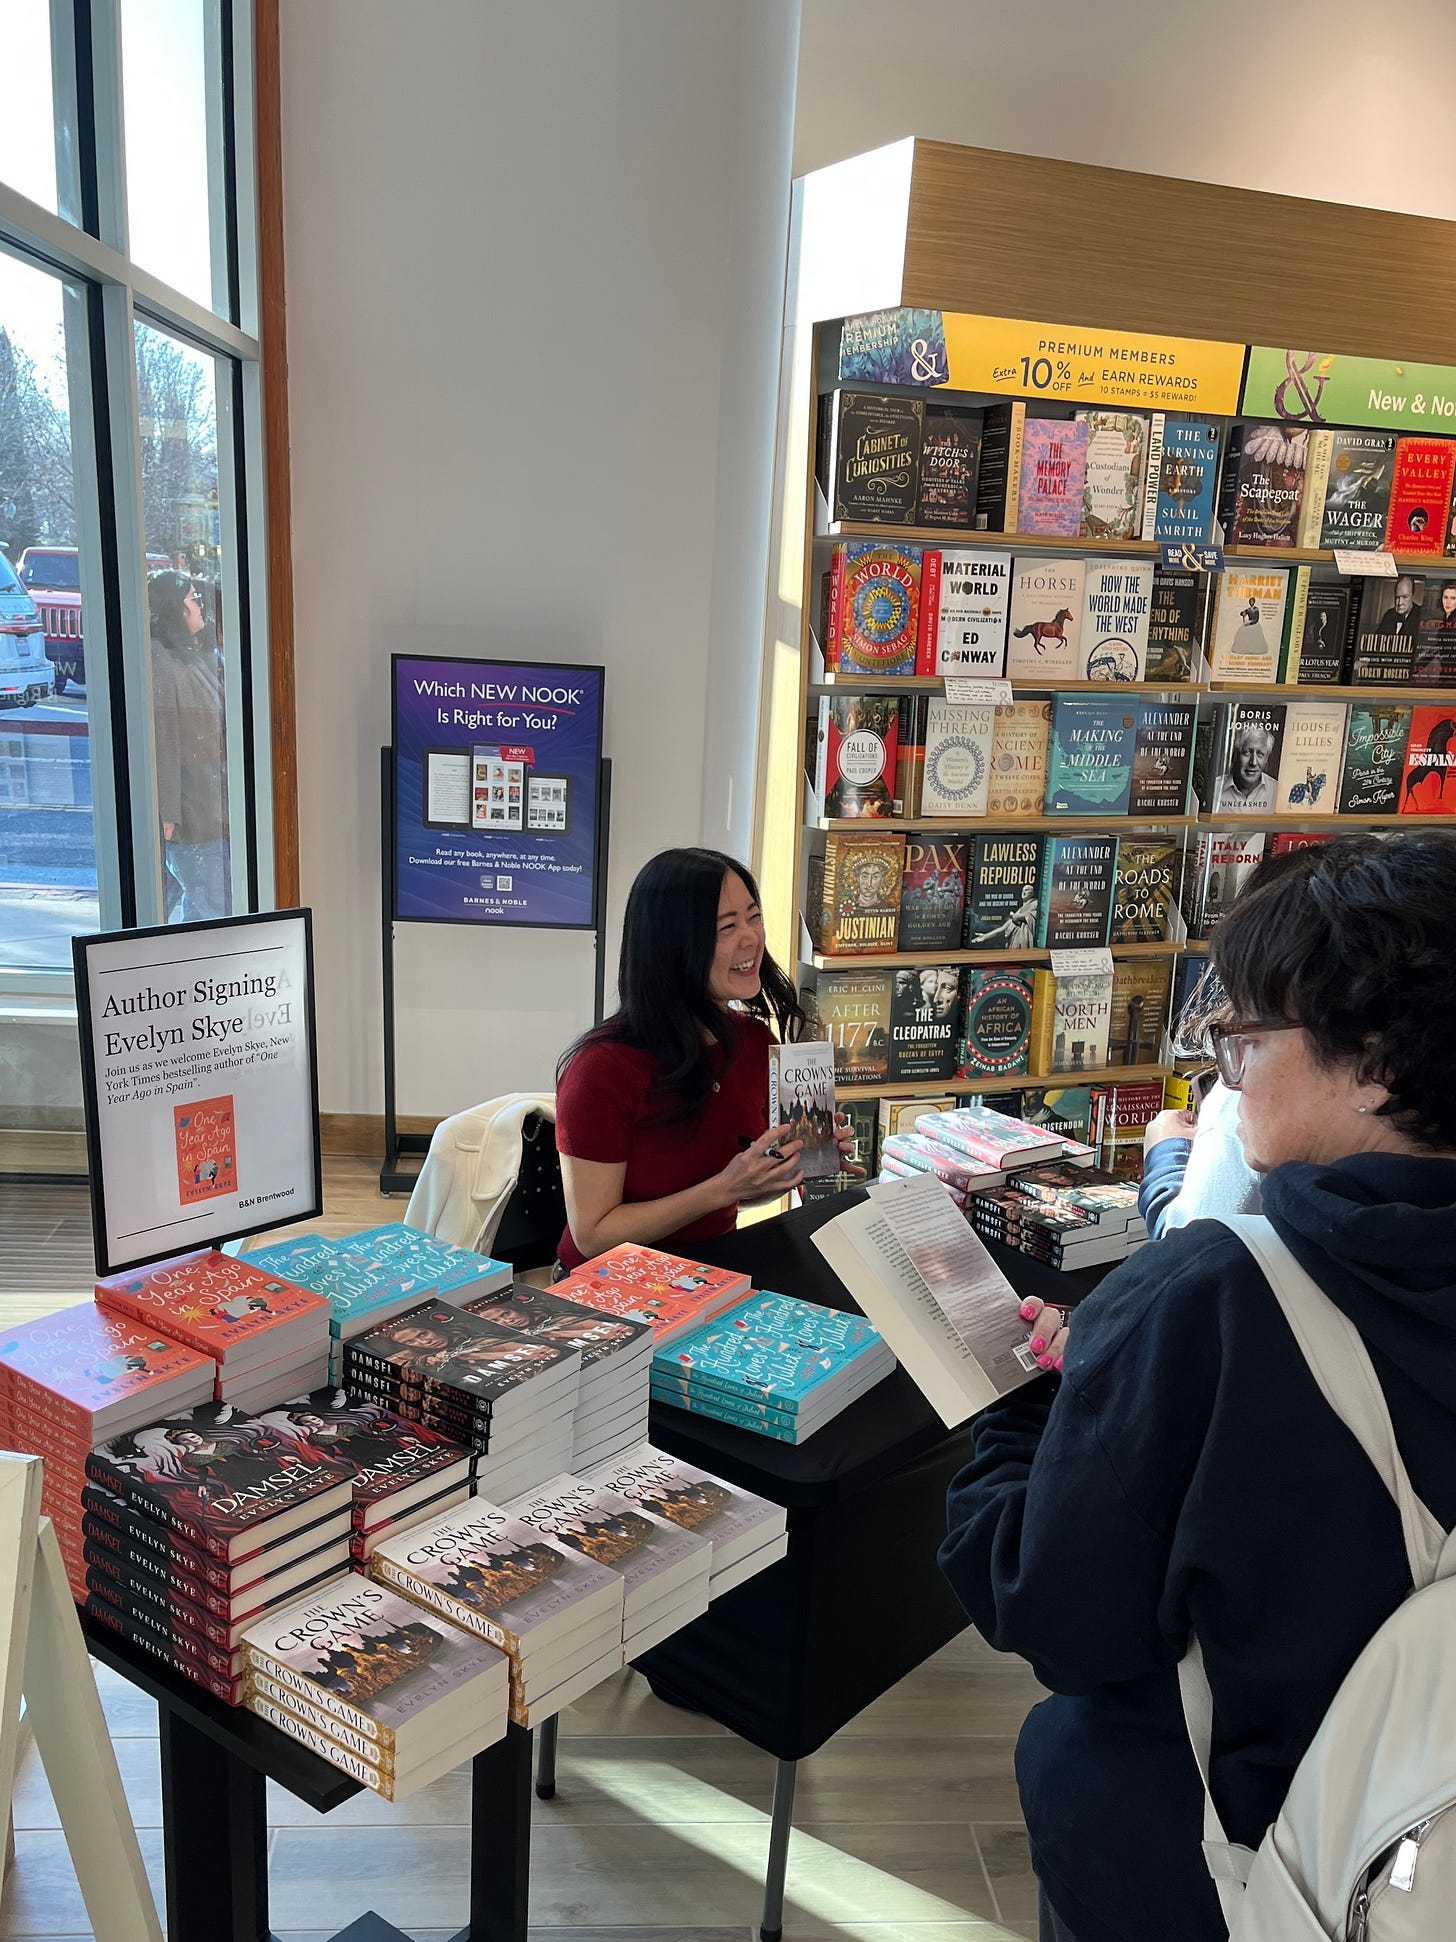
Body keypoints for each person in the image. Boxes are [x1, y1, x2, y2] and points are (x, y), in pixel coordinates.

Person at [938, 831, 1456, 1942]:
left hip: (1231, 1864)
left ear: (1373, 1061)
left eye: (1244, 1039)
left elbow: (1054, 1613)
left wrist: (1021, 1407)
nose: (1227, 1074)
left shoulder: (1211, 1295)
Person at [554, 847, 844, 1272]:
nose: (751, 937)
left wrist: (787, 1168)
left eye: (754, 916)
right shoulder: (601, 1070)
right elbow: (593, 1235)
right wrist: (724, 1189)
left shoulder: (753, 1041)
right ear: (672, 945)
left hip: (711, 1273)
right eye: (727, 926)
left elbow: (740, 1190)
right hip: (607, 1285)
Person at [149, 568, 230, 921]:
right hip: (193, 811)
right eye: (194, 600)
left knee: (202, 903)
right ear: (174, 608)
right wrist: (167, 813)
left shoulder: (193, 656)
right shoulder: (161, 660)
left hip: (209, 803)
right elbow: (163, 738)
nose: (201, 608)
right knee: (210, 905)